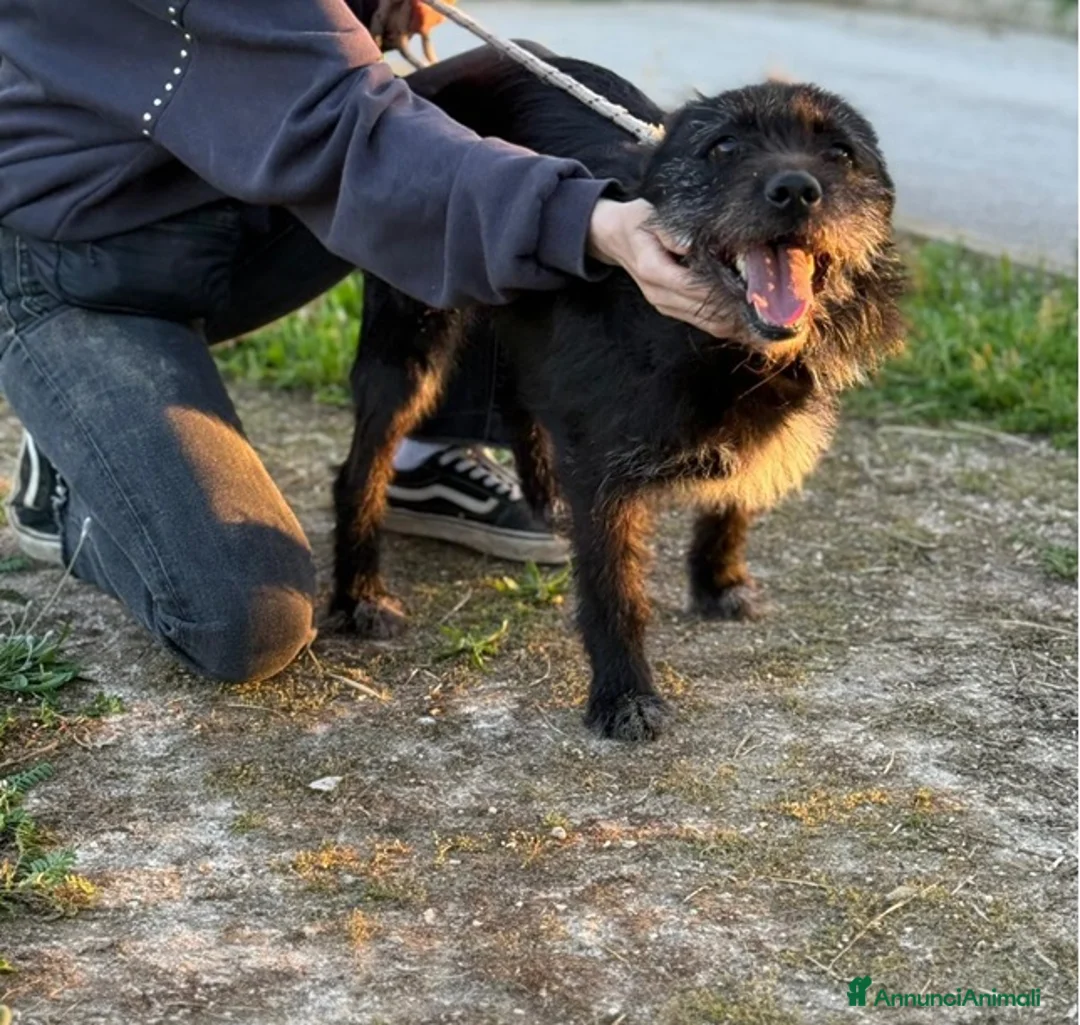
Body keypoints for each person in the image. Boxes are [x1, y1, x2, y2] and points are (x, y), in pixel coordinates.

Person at [0, 0, 732, 684]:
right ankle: (72, 461)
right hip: (75, 264)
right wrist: (593, 221)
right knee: (246, 616)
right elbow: (349, 131)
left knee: (509, 93)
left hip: (234, 199)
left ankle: (430, 451)